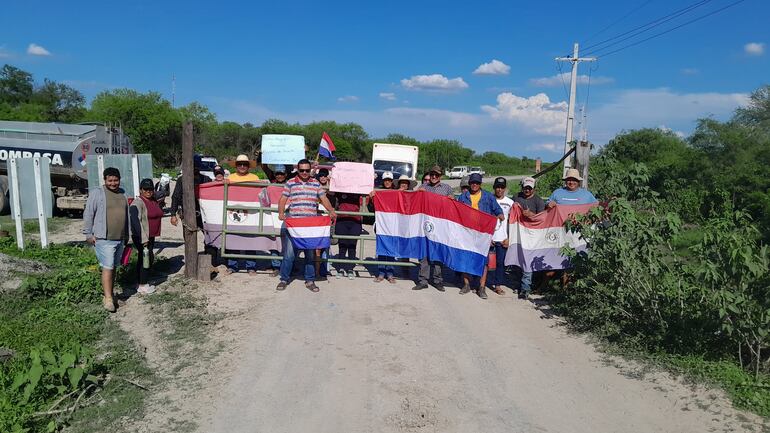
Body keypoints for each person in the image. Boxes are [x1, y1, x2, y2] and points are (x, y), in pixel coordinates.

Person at [277, 158, 336, 292]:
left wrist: (331, 210)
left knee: (310, 254)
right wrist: (281, 212)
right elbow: (283, 199)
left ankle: (310, 280)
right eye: (301, 170)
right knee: (289, 254)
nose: (304, 172)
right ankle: (283, 279)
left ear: (310, 170)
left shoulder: (315, 183)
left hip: (310, 226)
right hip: (294, 225)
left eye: (307, 170)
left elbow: (324, 198)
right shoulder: (290, 183)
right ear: (297, 170)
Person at [83, 167, 129, 312]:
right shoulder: (97, 193)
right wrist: (88, 234)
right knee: (108, 267)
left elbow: (125, 215)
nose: (113, 183)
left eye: (116, 180)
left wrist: (126, 236)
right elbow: (89, 213)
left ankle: (111, 294)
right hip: (104, 238)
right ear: (105, 180)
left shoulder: (122, 193)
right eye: (110, 180)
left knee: (113, 267)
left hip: (119, 238)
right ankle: (108, 298)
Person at [457, 173, 505, 299]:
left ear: (480, 184)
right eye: (473, 183)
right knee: (466, 258)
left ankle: (481, 287)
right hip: (467, 232)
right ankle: (466, 284)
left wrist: (500, 214)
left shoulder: (488, 197)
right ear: (470, 183)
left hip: (483, 233)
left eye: (477, 183)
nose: (474, 185)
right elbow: (456, 211)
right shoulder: (463, 197)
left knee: (483, 261)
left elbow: (497, 209)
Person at [413, 165, 454, 292]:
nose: (434, 177)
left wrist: (452, 199)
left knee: (438, 254)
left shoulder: (447, 188)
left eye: (436, 175)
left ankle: (438, 281)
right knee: (424, 253)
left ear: (440, 176)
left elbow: (454, 205)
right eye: (432, 174)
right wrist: (418, 193)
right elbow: (414, 200)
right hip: (426, 225)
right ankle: (423, 280)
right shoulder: (424, 187)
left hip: (440, 226)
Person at [225, 154, 261, 275]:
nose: (242, 166)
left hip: (250, 212)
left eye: (244, 164)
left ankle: (251, 266)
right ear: (236, 166)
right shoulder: (230, 177)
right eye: (239, 164)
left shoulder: (254, 178)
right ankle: (232, 265)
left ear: (248, 166)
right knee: (232, 238)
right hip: (233, 211)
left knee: (250, 238)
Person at [512, 176, 546, 299]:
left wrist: (532, 215)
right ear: (522, 187)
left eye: (529, 188)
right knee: (517, 260)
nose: (527, 190)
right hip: (518, 233)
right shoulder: (516, 197)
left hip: (532, 236)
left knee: (528, 261)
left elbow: (543, 219)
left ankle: (525, 289)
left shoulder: (539, 201)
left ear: (534, 189)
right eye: (525, 188)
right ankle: (517, 285)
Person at [129, 178, 163, 295]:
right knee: (146, 259)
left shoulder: (152, 200)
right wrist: (143, 239)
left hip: (150, 235)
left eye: (150, 189)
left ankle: (140, 282)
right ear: (141, 190)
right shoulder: (137, 202)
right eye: (145, 189)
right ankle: (143, 285)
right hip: (142, 236)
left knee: (144, 258)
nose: (148, 191)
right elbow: (134, 220)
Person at [170, 154, 209, 228]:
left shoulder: (206, 179)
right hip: (187, 214)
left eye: (196, 166)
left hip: (203, 214)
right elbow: (175, 197)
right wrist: (173, 214)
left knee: (209, 236)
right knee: (189, 236)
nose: (195, 168)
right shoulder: (182, 180)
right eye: (193, 166)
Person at [489, 177, 514, 295]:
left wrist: (510, 237)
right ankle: (480, 283)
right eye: (497, 187)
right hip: (488, 237)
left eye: (502, 187)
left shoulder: (510, 203)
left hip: (503, 238)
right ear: (494, 188)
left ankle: (497, 285)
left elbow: (513, 223)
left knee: (500, 263)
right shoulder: (488, 200)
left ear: (505, 188)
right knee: (485, 263)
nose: (499, 189)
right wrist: (487, 236)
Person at [372, 171, 397, 283]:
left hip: (393, 224)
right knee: (382, 248)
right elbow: (372, 207)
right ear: (383, 181)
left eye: (389, 180)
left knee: (391, 249)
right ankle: (381, 273)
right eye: (386, 180)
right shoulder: (378, 192)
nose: (387, 182)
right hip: (381, 223)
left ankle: (390, 274)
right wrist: (372, 197)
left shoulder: (397, 193)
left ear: (392, 181)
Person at [314, 167, 331, 279]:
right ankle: (315, 271)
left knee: (325, 246)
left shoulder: (332, 188)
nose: (323, 177)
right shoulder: (314, 186)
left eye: (325, 175)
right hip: (316, 220)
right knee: (316, 248)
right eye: (321, 175)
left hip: (327, 220)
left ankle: (324, 269)